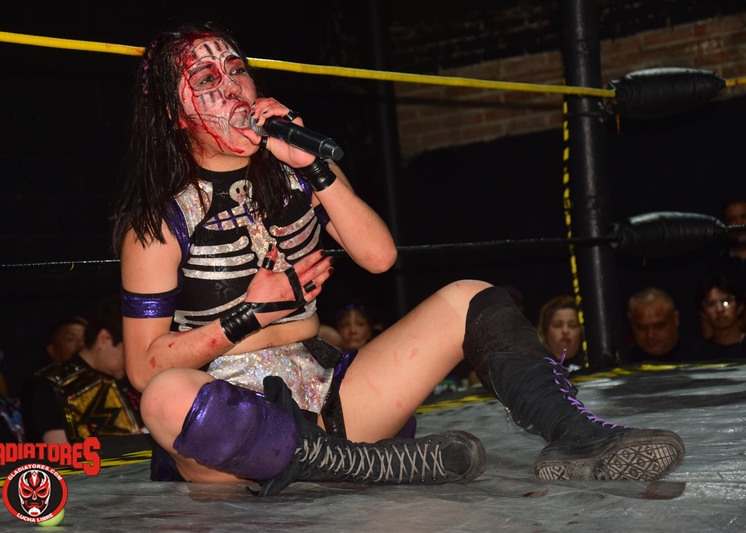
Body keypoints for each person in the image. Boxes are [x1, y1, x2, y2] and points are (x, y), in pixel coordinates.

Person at [111, 20, 684, 495]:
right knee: (164, 397)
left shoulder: (298, 170)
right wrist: (248, 316)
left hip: (328, 399)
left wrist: (312, 166)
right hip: (230, 431)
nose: (234, 88)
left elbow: (379, 256)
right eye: (207, 79)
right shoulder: (158, 223)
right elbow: (142, 368)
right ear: (174, 114)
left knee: (469, 298)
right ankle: (359, 465)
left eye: (237, 69)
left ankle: (577, 437)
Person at [22, 296, 143, 444]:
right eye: (129, 351)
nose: (133, 360)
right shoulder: (55, 387)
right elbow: (59, 451)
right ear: (104, 339)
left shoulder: (130, 379)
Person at [624, 288, 704, 364]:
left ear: (675, 319)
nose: (650, 335)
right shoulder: (625, 364)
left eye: (658, 326)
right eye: (642, 328)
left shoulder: (703, 359)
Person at [696, 274, 746, 360]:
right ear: (703, 314)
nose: (719, 309)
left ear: (740, 307)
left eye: (726, 302)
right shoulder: (699, 354)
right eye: (711, 304)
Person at [536, 296, 585, 372]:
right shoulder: (533, 368)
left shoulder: (592, 366)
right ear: (545, 330)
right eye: (558, 325)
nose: (565, 331)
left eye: (572, 325)